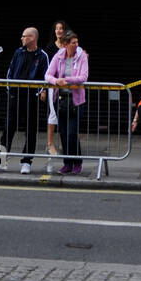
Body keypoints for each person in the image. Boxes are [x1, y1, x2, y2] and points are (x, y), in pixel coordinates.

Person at [0, 27, 49, 174]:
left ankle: (26, 162)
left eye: (24, 36)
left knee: (30, 130)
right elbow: (10, 72)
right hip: (15, 96)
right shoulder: (18, 53)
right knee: (8, 129)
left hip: (31, 98)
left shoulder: (42, 56)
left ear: (32, 38)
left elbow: (45, 77)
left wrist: (38, 92)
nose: (21, 38)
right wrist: (11, 91)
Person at [45, 29, 89, 176]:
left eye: (77, 42)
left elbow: (83, 76)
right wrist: (57, 80)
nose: (76, 45)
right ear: (65, 45)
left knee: (72, 134)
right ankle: (67, 164)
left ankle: (77, 162)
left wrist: (66, 80)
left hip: (76, 101)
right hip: (61, 100)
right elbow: (48, 75)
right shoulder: (58, 56)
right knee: (63, 133)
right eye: (73, 43)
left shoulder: (82, 56)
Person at [44, 20, 68, 159]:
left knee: (65, 114)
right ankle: (50, 144)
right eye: (56, 28)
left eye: (61, 28)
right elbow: (46, 69)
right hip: (53, 85)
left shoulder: (68, 47)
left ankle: (65, 144)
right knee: (53, 114)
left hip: (67, 86)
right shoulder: (50, 48)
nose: (59, 31)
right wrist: (43, 89)